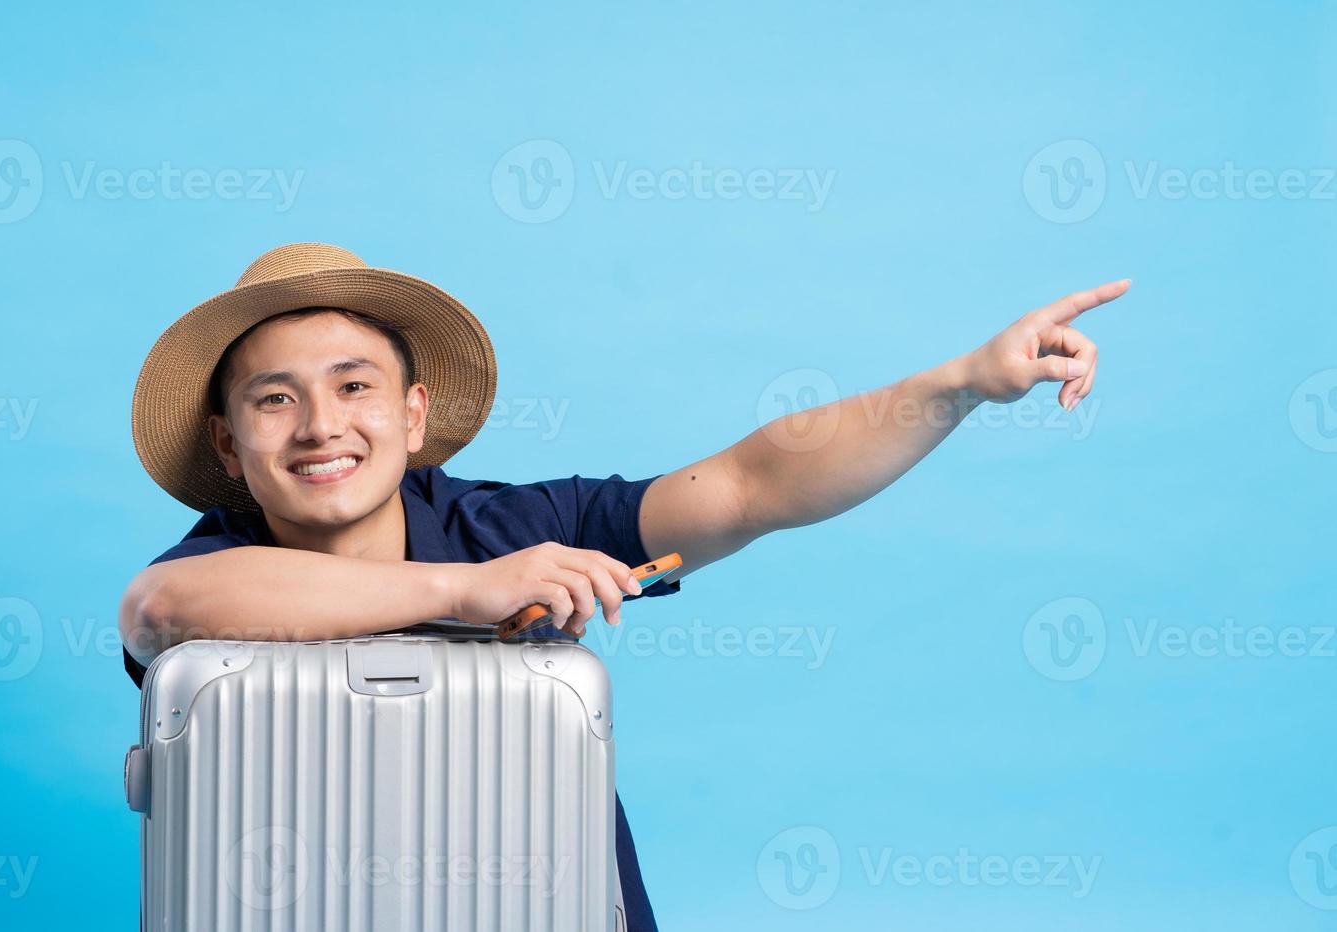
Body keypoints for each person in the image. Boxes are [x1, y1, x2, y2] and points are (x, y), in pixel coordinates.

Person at [119, 241, 1129, 929]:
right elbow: (163, 609)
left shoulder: (509, 524)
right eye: (275, 399)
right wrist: (468, 595)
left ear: (414, 414)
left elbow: (748, 484)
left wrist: (958, 383)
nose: (319, 425)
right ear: (227, 439)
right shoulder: (219, 563)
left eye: (353, 386)